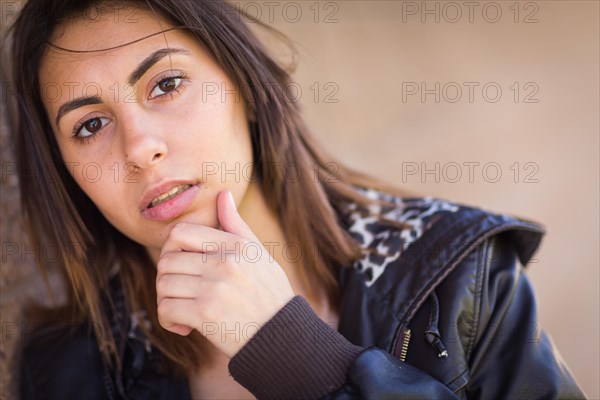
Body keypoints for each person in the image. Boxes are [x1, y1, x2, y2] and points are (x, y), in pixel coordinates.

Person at [7, 0, 586, 399]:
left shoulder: (461, 282)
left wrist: (291, 354)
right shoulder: (69, 368)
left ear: (247, 88)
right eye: (89, 125)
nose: (139, 148)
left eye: (166, 84)